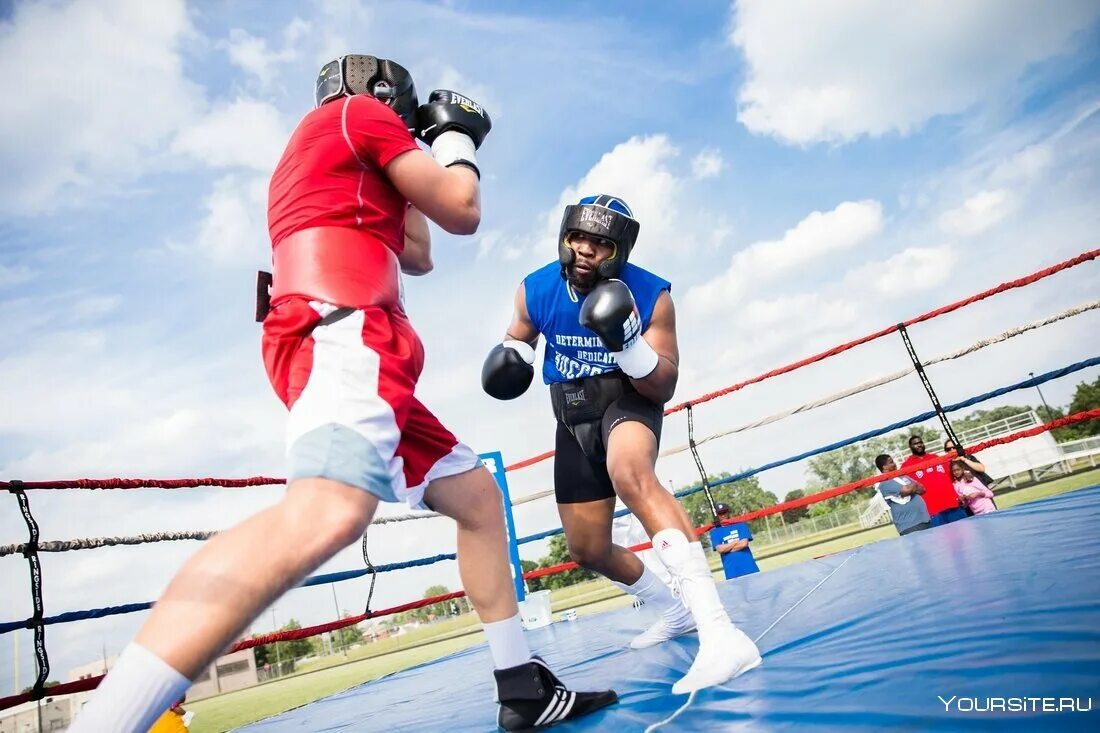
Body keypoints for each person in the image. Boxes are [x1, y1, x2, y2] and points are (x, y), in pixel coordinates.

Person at [71, 54, 613, 733]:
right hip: (345, 324)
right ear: (385, 96)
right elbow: (463, 211)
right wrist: (455, 143)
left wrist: (417, 158)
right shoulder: (358, 116)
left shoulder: (326, 145)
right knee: (325, 514)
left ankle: (520, 685)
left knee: (474, 496)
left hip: (344, 332)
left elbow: (418, 251)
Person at [482, 195, 762, 695]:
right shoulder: (536, 288)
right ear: (566, 238)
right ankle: (674, 611)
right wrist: (512, 354)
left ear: (619, 249)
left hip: (628, 399)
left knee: (630, 472)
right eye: (579, 238)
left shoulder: (651, 294)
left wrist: (627, 343)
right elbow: (518, 336)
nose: (586, 250)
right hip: (569, 413)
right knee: (587, 547)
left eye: (600, 242)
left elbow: (665, 384)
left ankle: (720, 632)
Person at [900, 435, 967, 526]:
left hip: (951, 503)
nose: (919, 445)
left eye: (920, 442)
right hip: (933, 510)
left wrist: (958, 494)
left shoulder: (935, 457)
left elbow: (951, 477)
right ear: (910, 447)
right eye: (915, 444)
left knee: (965, 531)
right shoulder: (906, 466)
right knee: (943, 538)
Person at [874, 454, 932, 536]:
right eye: (891, 462)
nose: (894, 464)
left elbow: (922, 489)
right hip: (910, 525)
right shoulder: (885, 483)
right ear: (884, 467)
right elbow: (907, 490)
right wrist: (914, 485)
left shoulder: (902, 476)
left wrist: (912, 486)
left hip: (924, 519)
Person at [708, 503, 760, 579]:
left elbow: (744, 544)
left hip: (749, 568)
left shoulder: (740, 524)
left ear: (728, 512)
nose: (723, 515)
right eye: (720, 513)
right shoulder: (714, 531)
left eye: (724, 512)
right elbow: (720, 549)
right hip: (732, 572)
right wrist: (735, 542)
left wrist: (726, 549)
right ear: (716, 515)